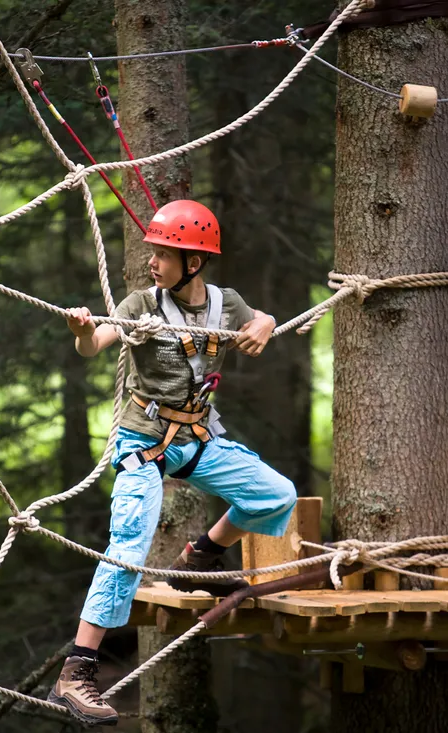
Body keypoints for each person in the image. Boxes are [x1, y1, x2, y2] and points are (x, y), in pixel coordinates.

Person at [48, 200, 297, 726]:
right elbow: (96, 343)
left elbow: (258, 322)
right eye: (153, 253)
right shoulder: (141, 303)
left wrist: (267, 323)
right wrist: (79, 331)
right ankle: (76, 670)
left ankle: (198, 559)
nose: (153, 263)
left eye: (164, 255)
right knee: (130, 542)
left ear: (194, 263)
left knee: (276, 494)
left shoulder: (227, 306)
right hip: (143, 440)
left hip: (198, 436)